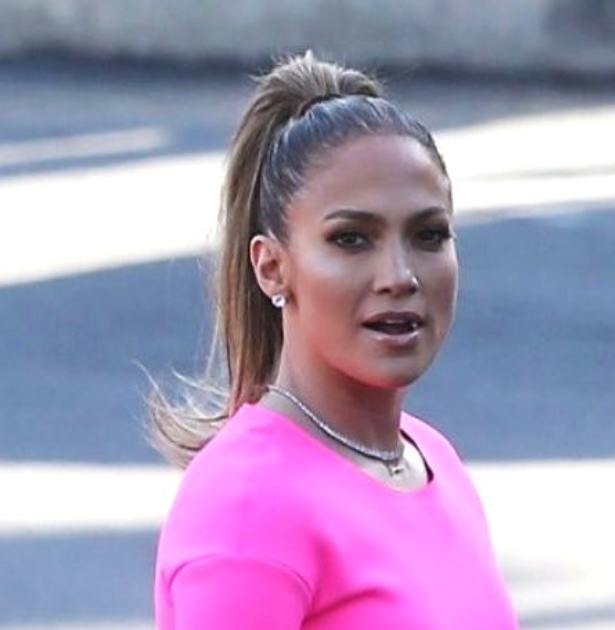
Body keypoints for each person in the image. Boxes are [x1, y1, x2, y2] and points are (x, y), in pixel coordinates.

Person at [148, 51, 518, 629]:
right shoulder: (247, 511)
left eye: (428, 235)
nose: (400, 276)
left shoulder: (431, 458)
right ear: (272, 267)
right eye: (351, 239)